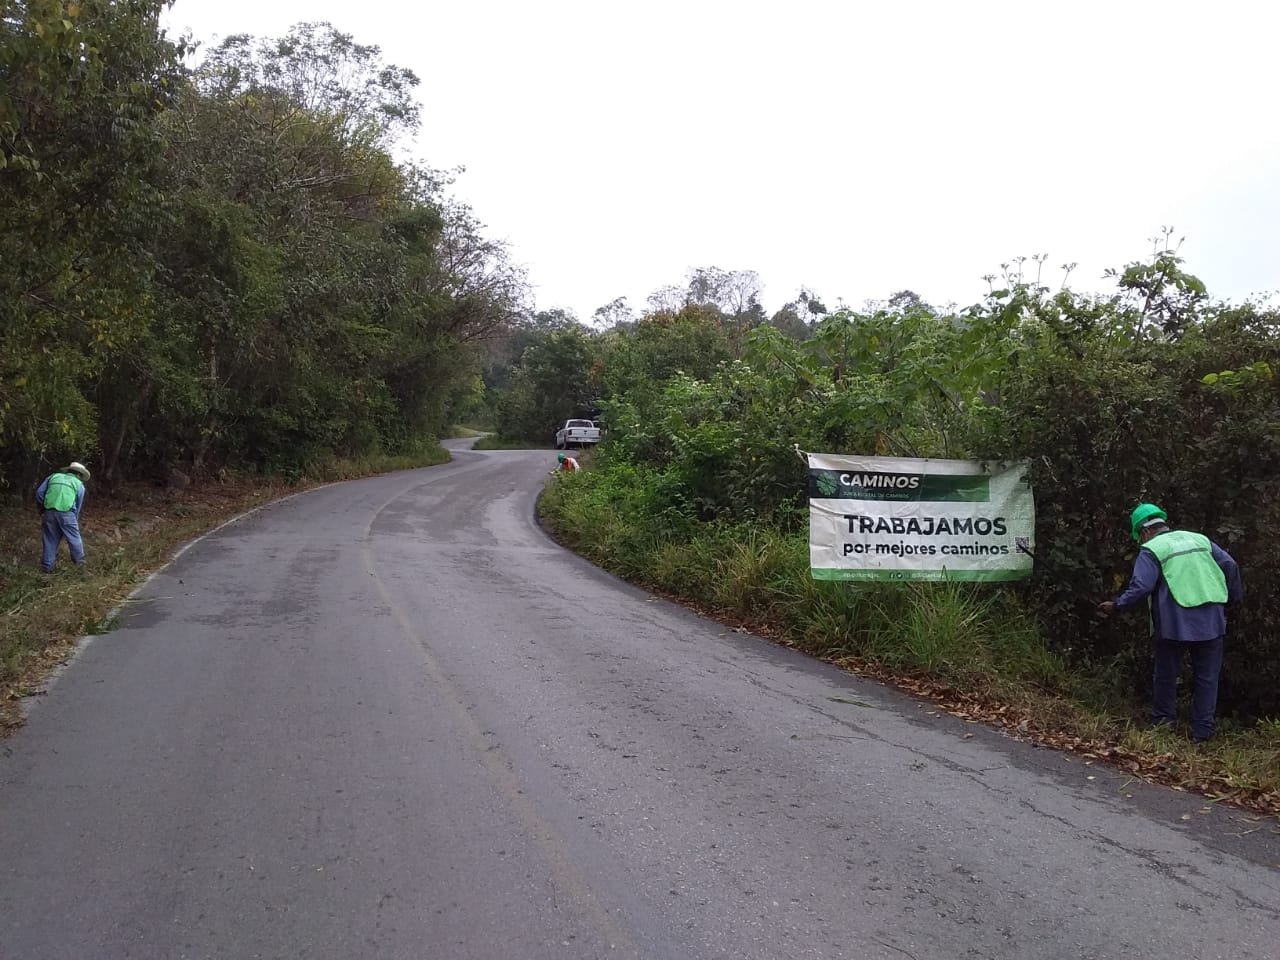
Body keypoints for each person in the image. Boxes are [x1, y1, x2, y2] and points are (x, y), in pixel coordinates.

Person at [1098, 503, 1242, 742]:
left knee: (1166, 674)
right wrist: (1233, 598)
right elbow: (1230, 565)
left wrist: (1117, 606)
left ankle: (1163, 725)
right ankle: (1202, 735)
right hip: (1212, 619)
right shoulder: (1199, 539)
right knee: (1207, 678)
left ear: (1144, 532)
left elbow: (1141, 587)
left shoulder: (1152, 549)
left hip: (1175, 621)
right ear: (1161, 523)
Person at [34, 462, 91, 573]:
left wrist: (43, 509)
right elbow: (78, 505)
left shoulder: (53, 477)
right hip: (68, 514)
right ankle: (80, 567)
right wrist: (75, 518)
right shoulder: (79, 485)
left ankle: (47, 569)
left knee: (50, 539)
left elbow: (39, 493)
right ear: (79, 474)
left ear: (69, 470)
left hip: (49, 512)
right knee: (74, 539)